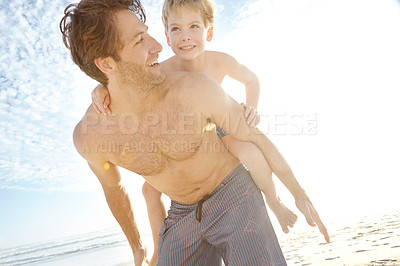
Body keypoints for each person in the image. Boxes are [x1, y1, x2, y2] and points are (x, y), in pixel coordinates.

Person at [60, 0, 330, 265]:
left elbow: (257, 139)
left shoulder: (196, 88)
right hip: (180, 212)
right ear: (107, 64)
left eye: (148, 34)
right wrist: (136, 247)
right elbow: (113, 187)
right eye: (140, 41)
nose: (157, 46)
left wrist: (300, 195)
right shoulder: (91, 138)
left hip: (233, 192)